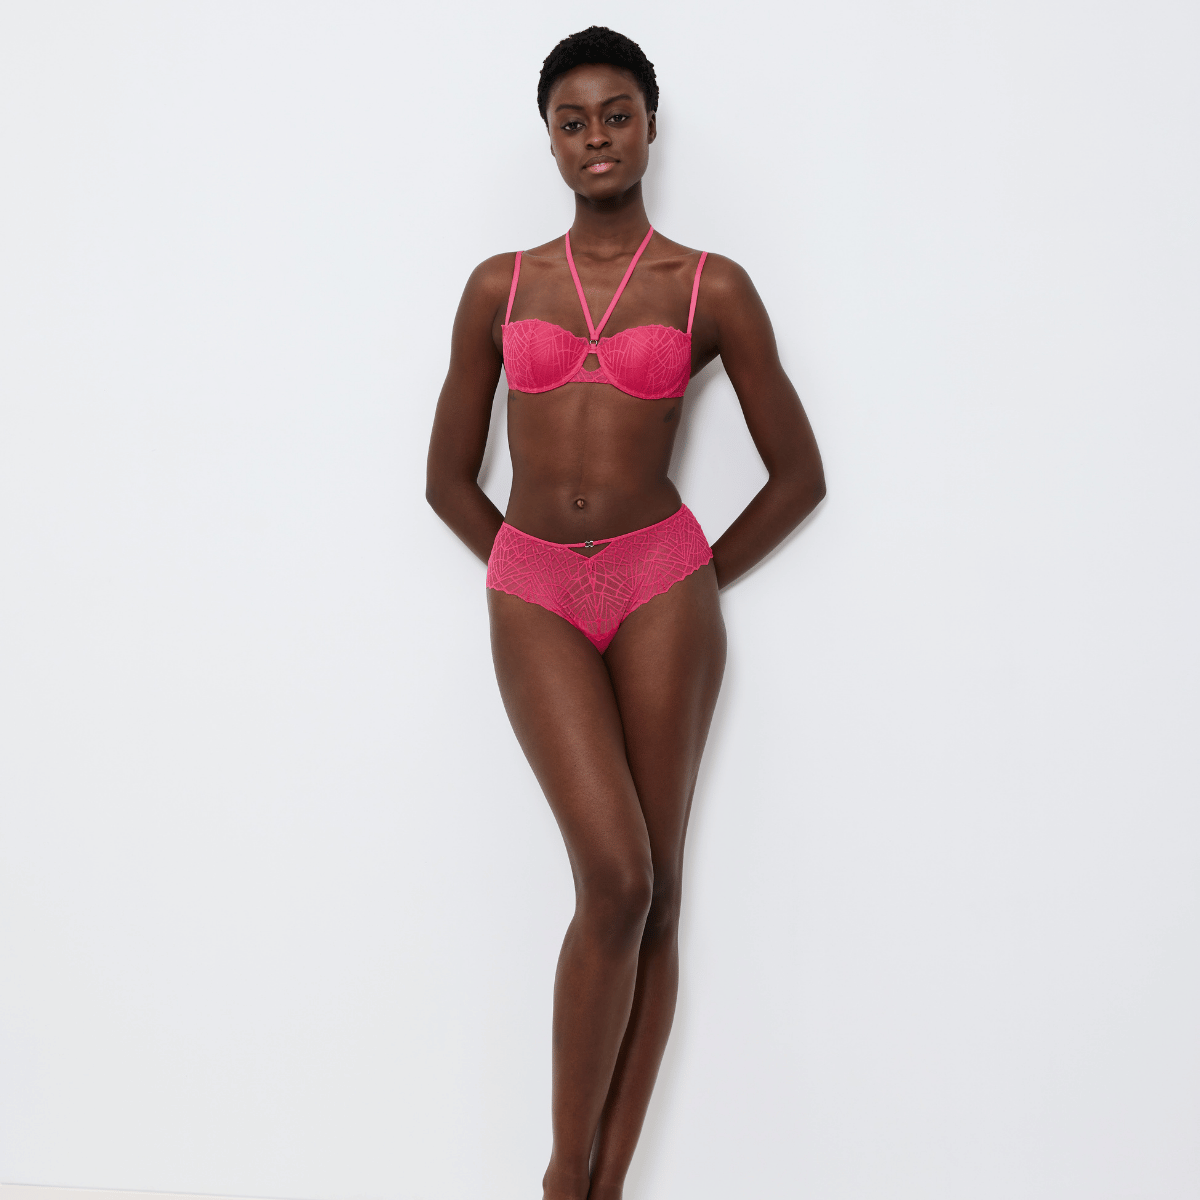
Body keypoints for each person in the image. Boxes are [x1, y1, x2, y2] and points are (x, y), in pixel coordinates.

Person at [425, 26, 825, 1200]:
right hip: (536, 589)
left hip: (664, 590)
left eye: (616, 115)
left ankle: (607, 1191)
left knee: (658, 897)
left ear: (651, 126)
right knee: (614, 875)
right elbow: (447, 480)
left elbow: (799, 475)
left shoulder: (710, 287)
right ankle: (564, 1179)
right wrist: (530, 573)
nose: (595, 137)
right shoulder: (501, 286)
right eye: (572, 121)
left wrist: (686, 575)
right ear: (548, 140)